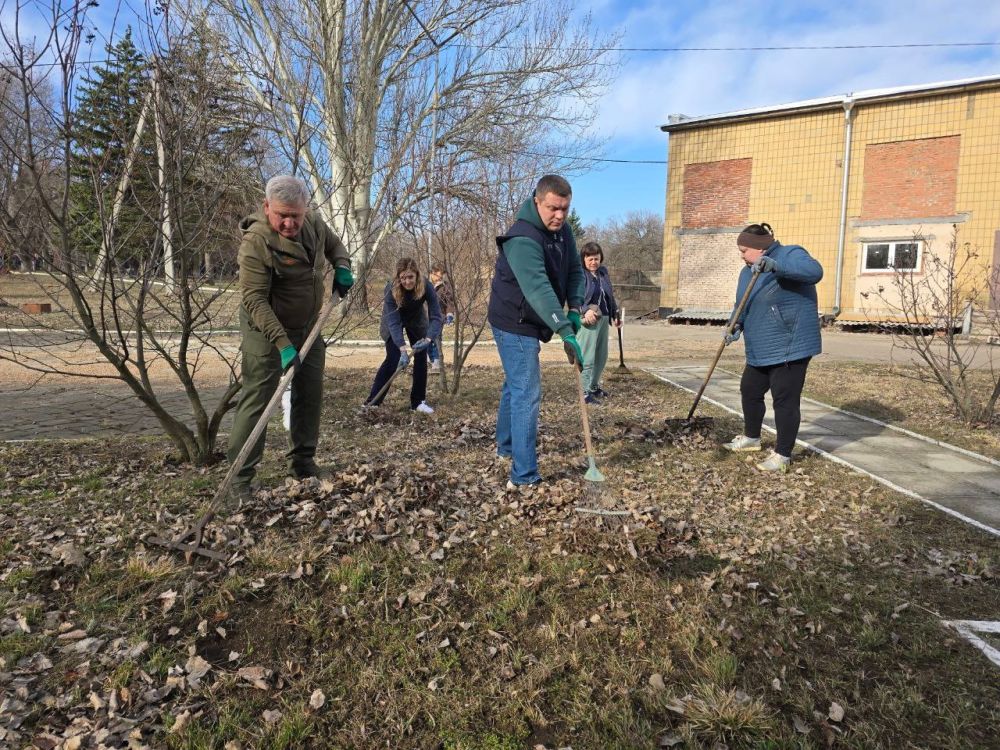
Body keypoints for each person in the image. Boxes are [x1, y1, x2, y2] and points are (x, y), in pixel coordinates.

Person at [227, 175, 354, 499]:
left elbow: (334, 244)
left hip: (308, 327)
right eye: (281, 215)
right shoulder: (256, 243)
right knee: (259, 399)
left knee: (309, 393)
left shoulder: (311, 222)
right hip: (266, 332)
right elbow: (254, 300)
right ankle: (240, 480)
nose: (288, 222)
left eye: (295, 215)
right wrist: (283, 345)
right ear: (267, 207)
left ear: (305, 209)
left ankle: (302, 464)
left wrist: (341, 264)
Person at [487, 174, 586, 488]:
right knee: (526, 393)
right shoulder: (522, 238)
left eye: (565, 209)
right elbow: (539, 289)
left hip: (534, 317)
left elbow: (574, 271)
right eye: (553, 208)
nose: (559, 215)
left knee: (515, 385)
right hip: (513, 321)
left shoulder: (563, 232)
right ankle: (524, 476)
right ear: (537, 201)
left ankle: (505, 448)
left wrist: (574, 308)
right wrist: (564, 330)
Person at [722, 222, 823, 473]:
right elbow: (742, 304)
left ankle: (782, 454)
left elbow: (814, 271)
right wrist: (734, 325)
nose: (741, 255)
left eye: (744, 250)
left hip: (790, 343)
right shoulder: (747, 272)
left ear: (760, 248)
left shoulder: (790, 254)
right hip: (760, 346)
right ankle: (752, 438)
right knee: (750, 390)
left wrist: (777, 267)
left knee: (784, 400)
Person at [365, 257, 442, 413]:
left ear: (417, 275)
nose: (407, 281)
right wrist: (402, 348)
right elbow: (393, 322)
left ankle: (418, 402)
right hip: (393, 319)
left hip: (416, 319)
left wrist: (428, 339)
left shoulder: (426, 286)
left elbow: (436, 317)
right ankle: (373, 402)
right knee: (393, 358)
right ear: (398, 277)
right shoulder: (391, 288)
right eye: (403, 278)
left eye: (410, 277)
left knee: (421, 357)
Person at [576, 241, 621, 404]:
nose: (593, 262)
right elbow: (575, 296)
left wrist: (615, 314)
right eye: (590, 259)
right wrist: (585, 309)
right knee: (587, 357)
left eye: (596, 258)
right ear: (584, 259)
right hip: (588, 319)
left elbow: (609, 295)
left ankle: (594, 387)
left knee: (601, 357)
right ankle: (584, 392)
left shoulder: (603, 273)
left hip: (603, 318)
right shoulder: (579, 274)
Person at [427, 263, 455, 373]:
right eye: (437, 275)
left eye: (441, 275)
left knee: (436, 338)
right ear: (432, 274)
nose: (439, 278)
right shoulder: (425, 284)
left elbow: (449, 302)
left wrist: (449, 314)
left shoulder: (445, 286)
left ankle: (436, 363)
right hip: (425, 317)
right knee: (426, 338)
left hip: (438, 317)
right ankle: (429, 359)